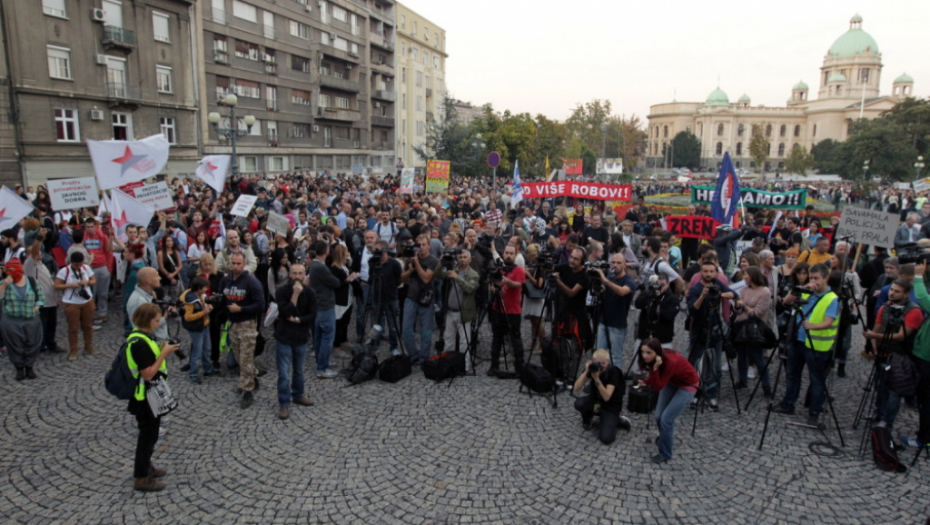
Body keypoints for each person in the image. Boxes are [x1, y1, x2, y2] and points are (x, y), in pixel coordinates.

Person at [774, 263, 840, 428]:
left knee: (816, 380)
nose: (813, 281)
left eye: (816, 278)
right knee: (792, 374)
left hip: (816, 345)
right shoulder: (807, 291)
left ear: (826, 278)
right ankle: (788, 404)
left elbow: (828, 322)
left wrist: (812, 326)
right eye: (811, 278)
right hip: (797, 340)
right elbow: (786, 303)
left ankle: (814, 411)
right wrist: (801, 288)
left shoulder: (833, 299)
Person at [125, 302, 180, 492]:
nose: (159, 323)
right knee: (147, 436)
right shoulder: (139, 344)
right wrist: (163, 354)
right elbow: (148, 373)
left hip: (150, 393)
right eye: (156, 320)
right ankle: (141, 477)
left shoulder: (142, 337)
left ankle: (147, 466)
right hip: (145, 396)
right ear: (147, 321)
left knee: (152, 434)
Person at [862, 278, 923, 430]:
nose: (892, 294)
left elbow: (902, 335)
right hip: (882, 352)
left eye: (897, 291)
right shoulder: (885, 307)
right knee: (880, 386)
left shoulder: (914, 311)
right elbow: (876, 328)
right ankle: (879, 412)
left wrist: (874, 337)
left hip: (900, 355)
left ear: (906, 294)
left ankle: (887, 420)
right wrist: (875, 348)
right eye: (891, 290)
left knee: (894, 390)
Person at [686, 260, 738, 411]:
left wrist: (720, 294)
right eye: (705, 271)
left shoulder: (717, 284)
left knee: (715, 366)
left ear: (715, 272)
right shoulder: (695, 289)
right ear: (700, 272)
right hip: (699, 330)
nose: (708, 274)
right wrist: (702, 296)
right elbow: (692, 310)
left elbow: (733, 294)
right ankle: (695, 394)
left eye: (711, 271)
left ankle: (712, 395)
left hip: (715, 330)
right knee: (697, 364)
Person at [638, 338, 699, 463]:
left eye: (648, 353)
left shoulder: (670, 361)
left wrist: (654, 369)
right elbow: (660, 378)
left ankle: (665, 453)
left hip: (688, 385)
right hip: (672, 381)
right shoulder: (657, 357)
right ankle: (665, 436)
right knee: (658, 416)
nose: (645, 356)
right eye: (643, 352)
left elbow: (659, 385)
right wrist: (646, 382)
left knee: (666, 419)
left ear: (656, 352)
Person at [220, 252, 266, 408]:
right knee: (239, 357)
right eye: (233, 263)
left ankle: (247, 390)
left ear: (244, 263)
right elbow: (222, 298)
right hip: (232, 324)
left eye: (238, 263)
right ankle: (253, 376)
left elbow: (260, 305)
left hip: (247, 324)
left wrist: (241, 309)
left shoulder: (251, 281)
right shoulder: (226, 280)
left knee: (245, 358)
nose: (235, 266)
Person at [273, 263, 317, 420]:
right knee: (284, 373)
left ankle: (298, 394)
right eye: (294, 273)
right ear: (290, 275)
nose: (297, 276)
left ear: (304, 274)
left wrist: (298, 320)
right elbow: (285, 312)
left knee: (299, 370)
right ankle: (284, 403)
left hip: (301, 337)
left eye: (300, 273)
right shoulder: (282, 291)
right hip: (284, 337)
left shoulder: (310, 293)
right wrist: (295, 296)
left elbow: (312, 314)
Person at [901, 261, 930, 450]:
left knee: (926, 399)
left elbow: (922, 297)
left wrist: (919, 276)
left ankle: (923, 439)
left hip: (926, 356)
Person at [573, 349, 630, 445]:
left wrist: (597, 379)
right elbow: (576, 387)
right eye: (598, 363)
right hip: (596, 400)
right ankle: (588, 419)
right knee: (579, 403)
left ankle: (618, 420)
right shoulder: (593, 369)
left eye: (603, 363)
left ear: (608, 362)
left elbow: (607, 397)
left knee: (606, 438)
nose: (601, 366)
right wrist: (587, 370)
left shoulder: (614, 372)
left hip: (611, 405)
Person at [1, 258, 44, 380]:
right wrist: (4, 285)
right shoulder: (5, 282)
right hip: (11, 320)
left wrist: (36, 308)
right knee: (15, 345)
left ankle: (29, 367)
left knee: (33, 343)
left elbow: (40, 297)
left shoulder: (32, 281)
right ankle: (19, 368)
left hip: (31, 319)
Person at [732, 267, 773, 396]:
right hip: (741, 327)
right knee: (741, 356)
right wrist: (739, 306)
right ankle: (742, 379)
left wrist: (743, 305)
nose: (744, 277)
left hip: (755, 330)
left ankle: (766, 385)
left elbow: (756, 313)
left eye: (746, 275)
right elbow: (737, 311)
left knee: (757, 358)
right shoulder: (744, 290)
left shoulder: (765, 292)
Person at [591, 253, 636, 369]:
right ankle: (598, 379)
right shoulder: (610, 278)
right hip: (603, 321)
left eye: (619, 263)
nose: (615, 265)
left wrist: (605, 280)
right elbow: (601, 291)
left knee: (616, 357)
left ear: (625, 265)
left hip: (617, 324)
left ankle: (616, 383)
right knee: (599, 355)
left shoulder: (629, 280)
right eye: (613, 262)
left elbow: (622, 292)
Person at [435, 249, 479, 363]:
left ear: (469, 259)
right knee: (448, 339)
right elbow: (438, 275)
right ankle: (447, 363)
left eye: (465, 257)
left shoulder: (473, 274)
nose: (462, 260)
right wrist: (441, 264)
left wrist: (456, 277)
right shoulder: (453, 270)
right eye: (460, 257)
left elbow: (469, 288)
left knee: (464, 342)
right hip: (450, 311)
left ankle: (465, 365)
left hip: (463, 312)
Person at [401, 234, 439, 365]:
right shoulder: (410, 259)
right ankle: (413, 355)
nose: (421, 248)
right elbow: (403, 279)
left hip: (426, 299)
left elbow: (426, 278)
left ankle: (424, 358)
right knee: (406, 329)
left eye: (424, 245)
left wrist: (416, 262)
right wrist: (410, 270)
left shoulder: (433, 261)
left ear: (429, 246)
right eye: (419, 245)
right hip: (411, 297)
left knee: (426, 332)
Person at [488, 245, 525, 375]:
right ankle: (494, 365)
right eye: (506, 253)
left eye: (511, 253)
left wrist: (507, 281)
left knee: (515, 339)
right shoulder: (499, 269)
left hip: (512, 311)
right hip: (498, 308)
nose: (508, 255)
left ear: (515, 255)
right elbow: (494, 284)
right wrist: (493, 287)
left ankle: (520, 367)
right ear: (503, 254)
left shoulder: (519, 270)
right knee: (497, 338)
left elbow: (518, 285)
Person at [54, 252, 98, 361]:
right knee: (73, 328)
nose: (78, 267)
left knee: (88, 326)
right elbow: (56, 285)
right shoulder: (64, 271)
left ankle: (88, 347)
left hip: (87, 301)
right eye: (76, 265)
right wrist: (70, 285)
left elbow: (94, 280)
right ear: (71, 262)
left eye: (80, 265)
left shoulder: (86, 268)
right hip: (72, 303)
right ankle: (73, 350)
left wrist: (87, 282)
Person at [24, 232, 62, 354]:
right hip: (40, 302)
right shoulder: (29, 264)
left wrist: (55, 297)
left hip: (50, 300)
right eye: (37, 252)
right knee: (41, 326)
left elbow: (48, 282)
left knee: (51, 325)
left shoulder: (41, 265)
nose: (39, 253)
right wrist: (39, 238)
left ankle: (51, 344)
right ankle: (40, 346)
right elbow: (35, 249)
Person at [307, 241, 341, 378]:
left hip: (318, 305)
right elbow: (336, 282)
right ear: (326, 251)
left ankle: (322, 362)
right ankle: (322, 368)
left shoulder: (313, 265)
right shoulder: (321, 267)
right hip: (325, 305)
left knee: (319, 337)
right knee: (327, 337)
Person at [553, 247, 593, 351]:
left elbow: (571, 293)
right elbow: (553, 267)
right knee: (559, 342)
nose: (572, 261)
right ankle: (563, 365)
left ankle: (573, 367)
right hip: (564, 310)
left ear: (582, 261)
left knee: (576, 345)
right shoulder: (567, 267)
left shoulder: (584, 276)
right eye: (571, 257)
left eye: (576, 259)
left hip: (577, 313)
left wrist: (558, 281)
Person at [367, 240, 403, 353]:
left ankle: (393, 346)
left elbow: (399, 279)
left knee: (392, 325)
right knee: (375, 323)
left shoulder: (394, 263)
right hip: (377, 297)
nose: (376, 252)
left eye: (378, 250)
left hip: (391, 297)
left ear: (385, 250)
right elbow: (370, 278)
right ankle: (375, 345)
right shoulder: (374, 262)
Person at [180, 277, 217, 384]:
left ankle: (208, 369)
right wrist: (204, 312)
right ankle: (193, 374)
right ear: (199, 288)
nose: (206, 289)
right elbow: (188, 317)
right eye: (205, 287)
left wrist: (208, 306)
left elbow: (203, 305)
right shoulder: (191, 300)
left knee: (207, 349)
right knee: (197, 352)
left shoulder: (198, 296)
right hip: (196, 329)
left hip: (204, 326)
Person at [634, 272, 679, 349]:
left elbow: (669, 315)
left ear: (668, 284)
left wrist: (656, 303)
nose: (659, 288)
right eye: (657, 285)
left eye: (662, 285)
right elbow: (637, 304)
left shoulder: (672, 298)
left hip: (663, 340)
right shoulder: (648, 294)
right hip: (644, 336)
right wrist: (650, 294)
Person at [81, 218, 112, 324]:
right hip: (89, 268)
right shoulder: (83, 237)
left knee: (103, 293)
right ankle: (90, 315)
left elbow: (108, 252)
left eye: (91, 226)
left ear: (95, 226)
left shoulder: (103, 237)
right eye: (87, 227)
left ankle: (102, 314)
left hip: (102, 266)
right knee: (90, 294)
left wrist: (109, 268)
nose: (89, 229)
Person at [330, 244, 357, 352]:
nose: (348, 254)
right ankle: (336, 344)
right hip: (339, 299)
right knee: (339, 321)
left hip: (348, 297)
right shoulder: (334, 268)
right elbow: (336, 284)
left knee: (346, 320)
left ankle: (343, 339)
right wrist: (348, 279)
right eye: (346, 252)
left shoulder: (345, 266)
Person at [157, 235, 183, 301]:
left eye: (171, 241)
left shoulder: (176, 252)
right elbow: (161, 267)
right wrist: (169, 276)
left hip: (175, 276)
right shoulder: (160, 253)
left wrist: (173, 275)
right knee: (165, 296)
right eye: (167, 241)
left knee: (175, 296)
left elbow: (180, 266)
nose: (170, 242)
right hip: (164, 277)